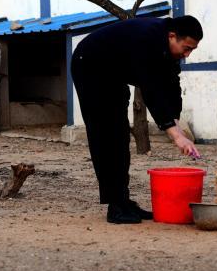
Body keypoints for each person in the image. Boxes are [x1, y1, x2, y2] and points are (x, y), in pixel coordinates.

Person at [71, 15, 203, 224]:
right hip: (90, 66)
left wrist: (176, 121)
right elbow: (151, 90)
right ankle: (115, 206)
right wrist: (175, 136)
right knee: (107, 134)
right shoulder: (148, 39)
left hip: (114, 74)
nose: (186, 54)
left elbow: (171, 84)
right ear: (172, 36)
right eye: (186, 48)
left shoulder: (168, 50)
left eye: (191, 50)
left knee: (121, 137)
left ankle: (123, 201)